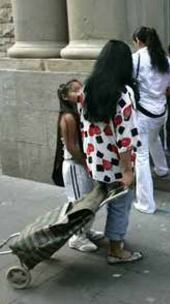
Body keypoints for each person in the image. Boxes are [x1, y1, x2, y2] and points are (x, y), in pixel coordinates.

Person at [80, 40, 142, 264]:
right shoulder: (123, 93)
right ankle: (116, 250)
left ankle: (104, 237)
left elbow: (85, 126)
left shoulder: (87, 88)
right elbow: (125, 138)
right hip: (116, 163)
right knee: (120, 205)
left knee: (101, 199)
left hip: (95, 160)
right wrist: (127, 171)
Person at [54, 79, 104, 252]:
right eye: (75, 90)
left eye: (82, 88)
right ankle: (77, 237)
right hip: (75, 165)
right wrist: (86, 163)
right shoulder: (68, 117)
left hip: (82, 164)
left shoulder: (78, 112)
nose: (81, 92)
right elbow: (71, 146)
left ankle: (85, 231)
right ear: (65, 96)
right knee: (79, 202)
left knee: (88, 200)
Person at [131, 26, 170, 214]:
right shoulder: (165, 60)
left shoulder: (137, 59)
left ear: (138, 41)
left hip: (143, 113)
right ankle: (161, 168)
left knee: (141, 155)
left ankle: (146, 203)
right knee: (154, 138)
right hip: (161, 112)